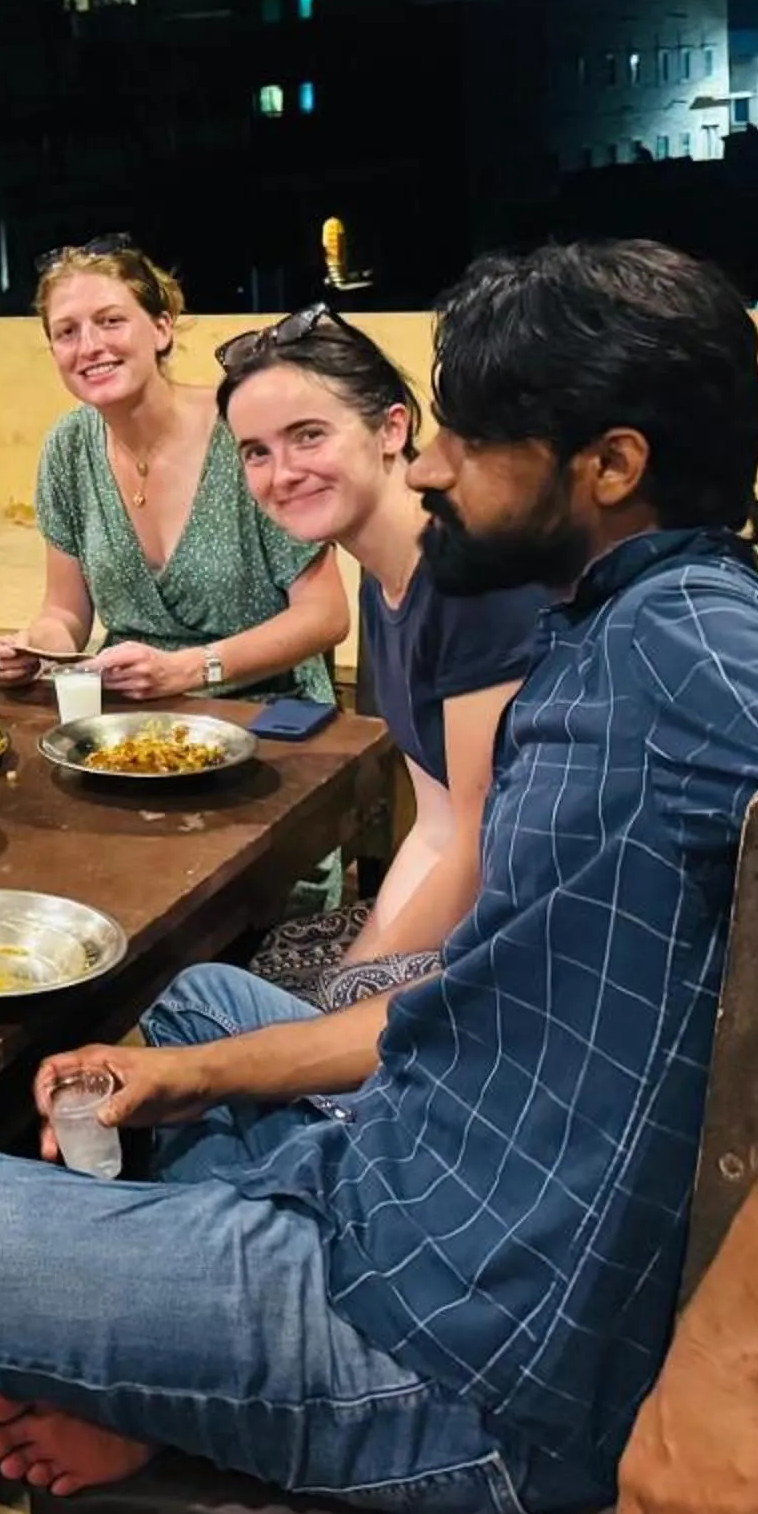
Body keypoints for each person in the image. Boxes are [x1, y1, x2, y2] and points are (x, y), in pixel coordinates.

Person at [0, 240, 758, 1514]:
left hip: (471, 1353)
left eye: (464, 440)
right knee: (192, 1018)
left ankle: (191, 1385)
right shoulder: (606, 616)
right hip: (429, 1175)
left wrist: (721, 1370)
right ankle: (177, 1356)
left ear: (612, 464)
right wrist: (197, 1078)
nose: (424, 467)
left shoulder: (692, 645)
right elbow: (502, 978)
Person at [215, 304, 550, 1004]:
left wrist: (345, 1003)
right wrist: (353, 975)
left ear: (392, 428)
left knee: (207, 1008)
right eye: (256, 452)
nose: (282, 473)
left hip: (540, 941)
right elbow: (434, 824)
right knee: (250, 980)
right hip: (486, 901)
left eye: (308, 436)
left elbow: (480, 845)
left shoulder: (470, 572)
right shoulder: (381, 570)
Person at [0, 240, 346, 704]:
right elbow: (64, 611)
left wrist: (188, 671)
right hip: (135, 716)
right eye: (67, 332)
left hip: (269, 711)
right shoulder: (68, 447)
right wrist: (33, 648)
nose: (90, 346)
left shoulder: (243, 430)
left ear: (160, 328)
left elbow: (326, 614)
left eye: (111, 321)